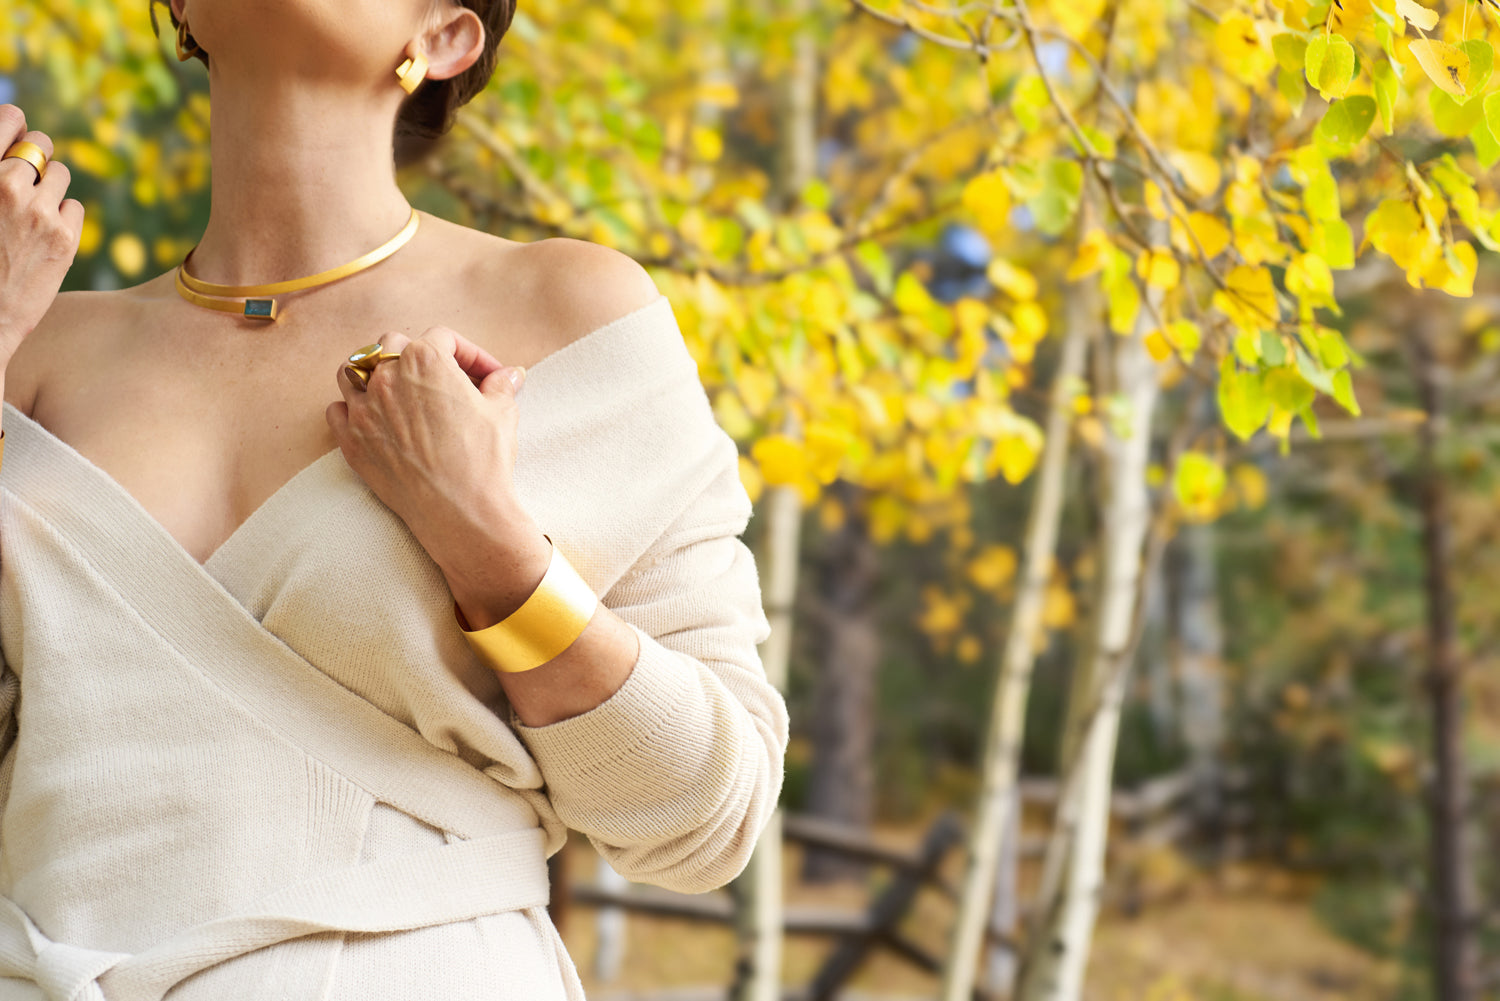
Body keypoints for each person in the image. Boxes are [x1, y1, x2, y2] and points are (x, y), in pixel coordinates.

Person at [0, 0, 789, 997]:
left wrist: (492, 549)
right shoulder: (33, 343)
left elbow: (705, 817)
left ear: (446, 37)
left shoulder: (570, 313)